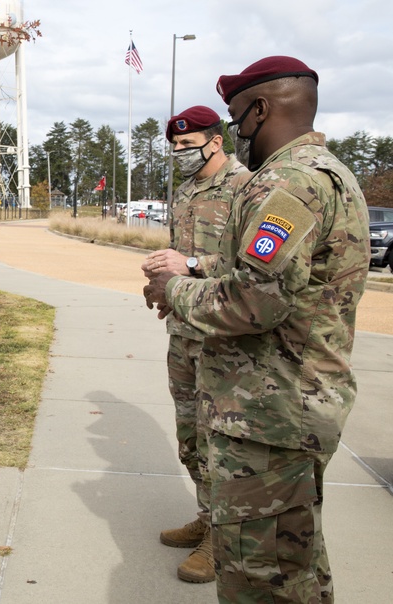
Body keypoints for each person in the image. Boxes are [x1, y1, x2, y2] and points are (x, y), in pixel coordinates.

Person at [144, 56, 370, 603]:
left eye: (236, 114)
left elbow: (255, 301)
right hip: (281, 410)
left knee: (261, 579)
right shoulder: (322, 173)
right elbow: (263, 278)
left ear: (260, 110)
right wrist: (193, 274)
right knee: (294, 569)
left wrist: (173, 290)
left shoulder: (291, 183)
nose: (236, 126)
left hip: (273, 416)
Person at [141, 105, 250, 583]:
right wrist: (163, 289)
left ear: (217, 140)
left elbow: (252, 270)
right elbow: (178, 264)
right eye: (176, 147)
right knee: (190, 439)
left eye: (190, 144)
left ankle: (223, 542)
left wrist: (188, 265)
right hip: (184, 333)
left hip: (222, 338)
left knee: (218, 443)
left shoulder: (247, 188)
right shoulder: (185, 192)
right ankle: (207, 518)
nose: (181, 153)